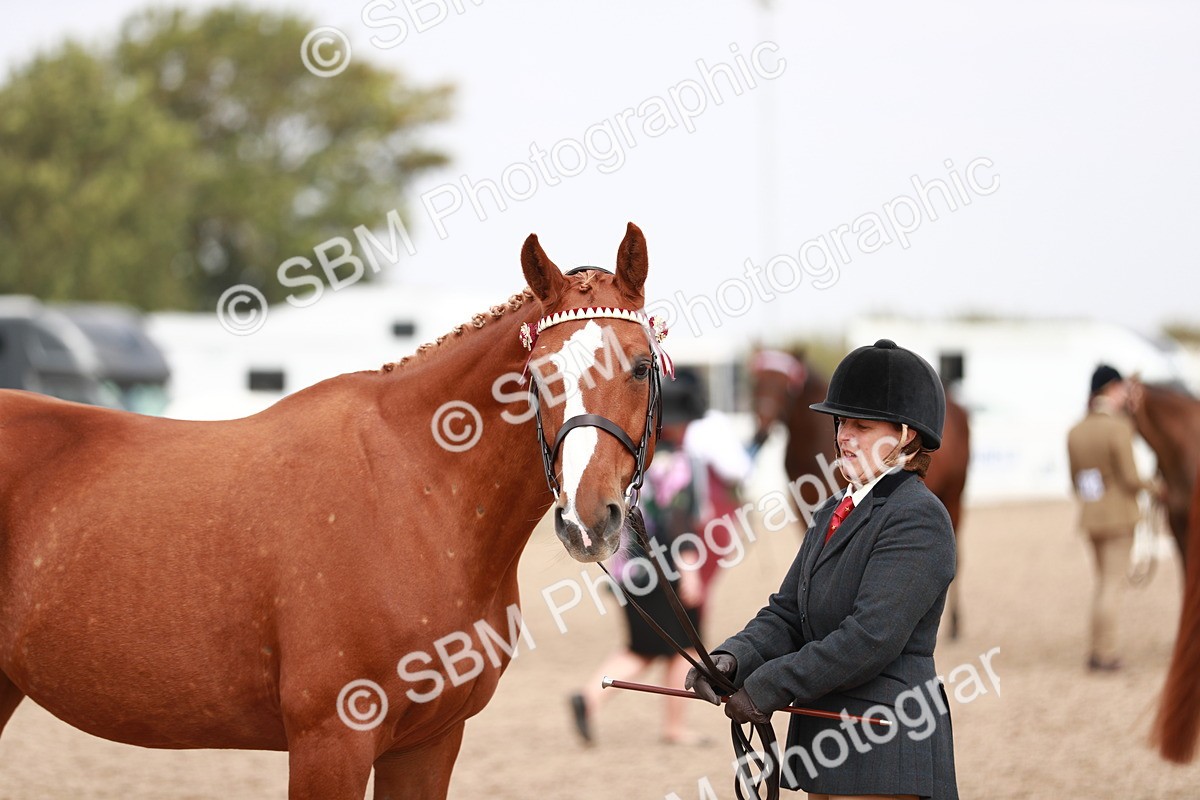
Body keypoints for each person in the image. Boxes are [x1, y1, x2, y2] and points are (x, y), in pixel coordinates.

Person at [686, 339, 958, 799]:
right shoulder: (833, 508)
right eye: (840, 423)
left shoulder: (918, 517)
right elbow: (789, 612)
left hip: (883, 742)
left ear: (906, 435)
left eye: (861, 426)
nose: (843, 436)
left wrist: (772, 683)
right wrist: (733, 660)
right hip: (827, 739)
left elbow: (870, 636)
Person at [570, 368, 725, 746]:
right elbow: (678, 520)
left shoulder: (636, 462)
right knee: (683, 648)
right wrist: (689, 567)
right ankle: (665, 725)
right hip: (665, 568)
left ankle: (592, 699)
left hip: (629, 569)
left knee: (650, 648)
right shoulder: (682, 463)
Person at [1066, 364, 1161, 672]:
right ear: (1110, 389)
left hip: (1091, 517)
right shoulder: (1118, 427)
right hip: (1119, 516)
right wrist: (1158, 487)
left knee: (1102, 584)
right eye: (1120, 389)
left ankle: (1097, 649)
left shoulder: (1076, 430)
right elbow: (1132, 478)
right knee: (1112, 586)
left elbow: (1076, 481)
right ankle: (1105, 653)